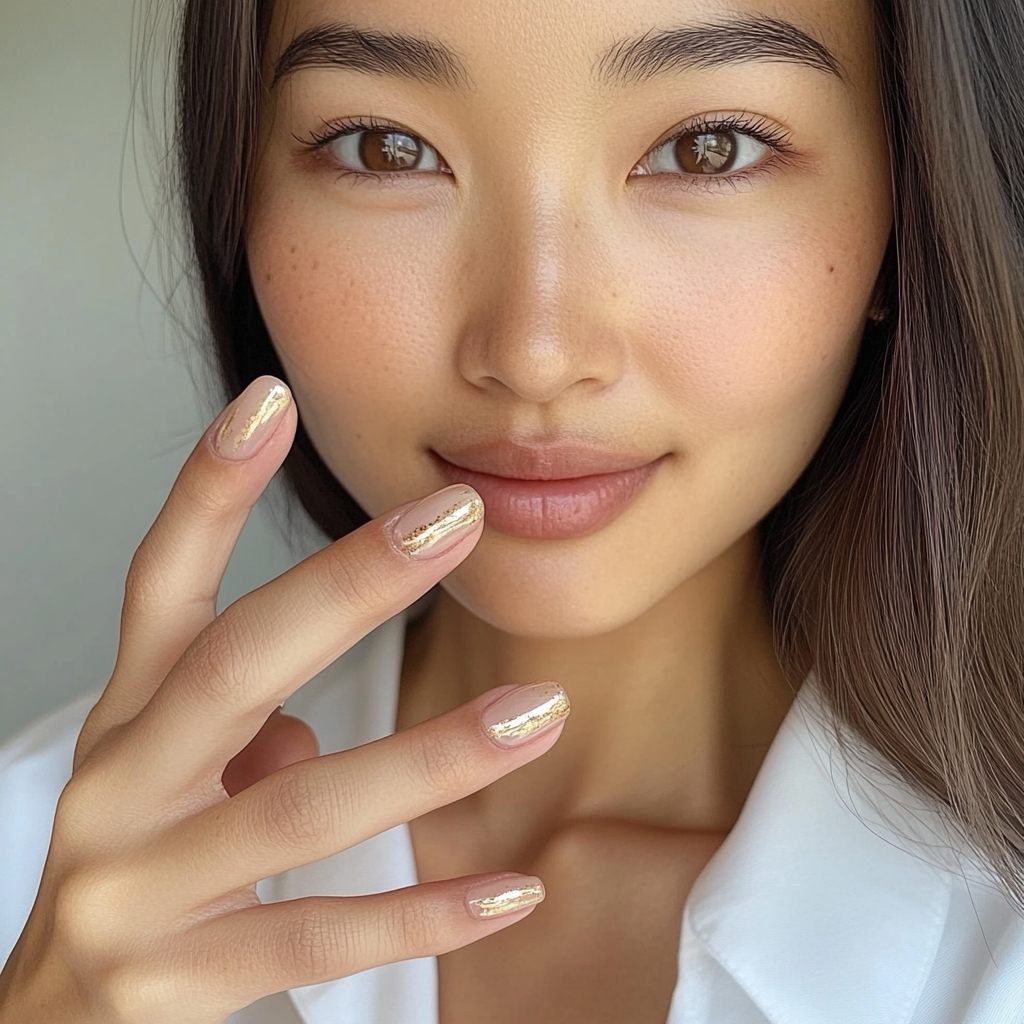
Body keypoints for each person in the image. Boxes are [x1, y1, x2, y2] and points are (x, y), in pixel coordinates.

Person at [3, 0, 1024, 1020]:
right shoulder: (26, 862)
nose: (534, 350)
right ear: (244, 193)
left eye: (706, 150)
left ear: (905, 203)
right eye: (386, 149)